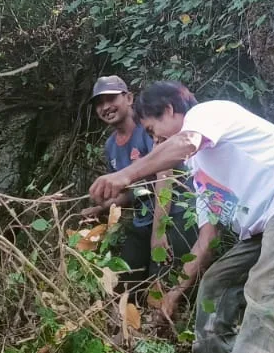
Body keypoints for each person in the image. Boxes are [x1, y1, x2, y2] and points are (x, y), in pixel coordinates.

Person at [89, 81, 274, 353]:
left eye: (153, 130)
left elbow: (186, 141)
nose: (155, 141)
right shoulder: (199, 170)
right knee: (215, 285)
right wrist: (174, 294)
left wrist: (127, 175)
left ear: (168, 110)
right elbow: (207, 238)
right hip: (265, 225)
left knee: (265, 298)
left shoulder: (208, 113)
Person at [80, 75, 195, 293]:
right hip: (143, 221)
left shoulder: (150, 129)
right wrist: (102, 207)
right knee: (123, 287)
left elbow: (165, 176)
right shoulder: (111, 146)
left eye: (111, 99)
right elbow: (130, 192)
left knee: (162, 287)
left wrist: (159, 232)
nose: (105, 107)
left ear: (129, 98)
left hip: (173, 217)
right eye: (99, 103)